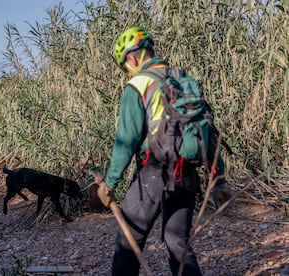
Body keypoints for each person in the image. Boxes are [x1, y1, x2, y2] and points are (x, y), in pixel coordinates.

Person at [97, 27, 231, 275]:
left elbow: (126, 141)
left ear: (132, 58)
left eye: (125, 67)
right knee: (179, 244)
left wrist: (110, 183)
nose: (127, 72)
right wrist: (220, 179)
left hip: (153, 176)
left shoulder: (138, 84)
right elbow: (209, 133)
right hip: (187, 177)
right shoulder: (184, 80)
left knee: (128, 243)